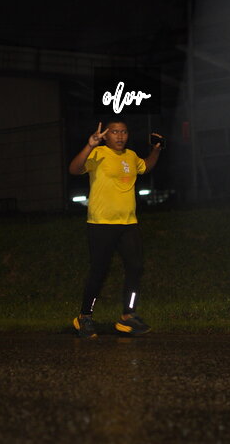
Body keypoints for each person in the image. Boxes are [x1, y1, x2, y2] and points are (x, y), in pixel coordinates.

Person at [68, 119, 163, 338]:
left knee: (136, 267)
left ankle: (128, 316)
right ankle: (84, 317)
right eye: (115, 132)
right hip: (101, 223)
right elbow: (74, 169)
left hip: (128, 223)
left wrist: (156, 150)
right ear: (106, 135)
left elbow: (145, 166)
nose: (120, 136)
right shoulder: (98, 153)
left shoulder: (130, 156)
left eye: (124, 132)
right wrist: (90, 145)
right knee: (99, 271)